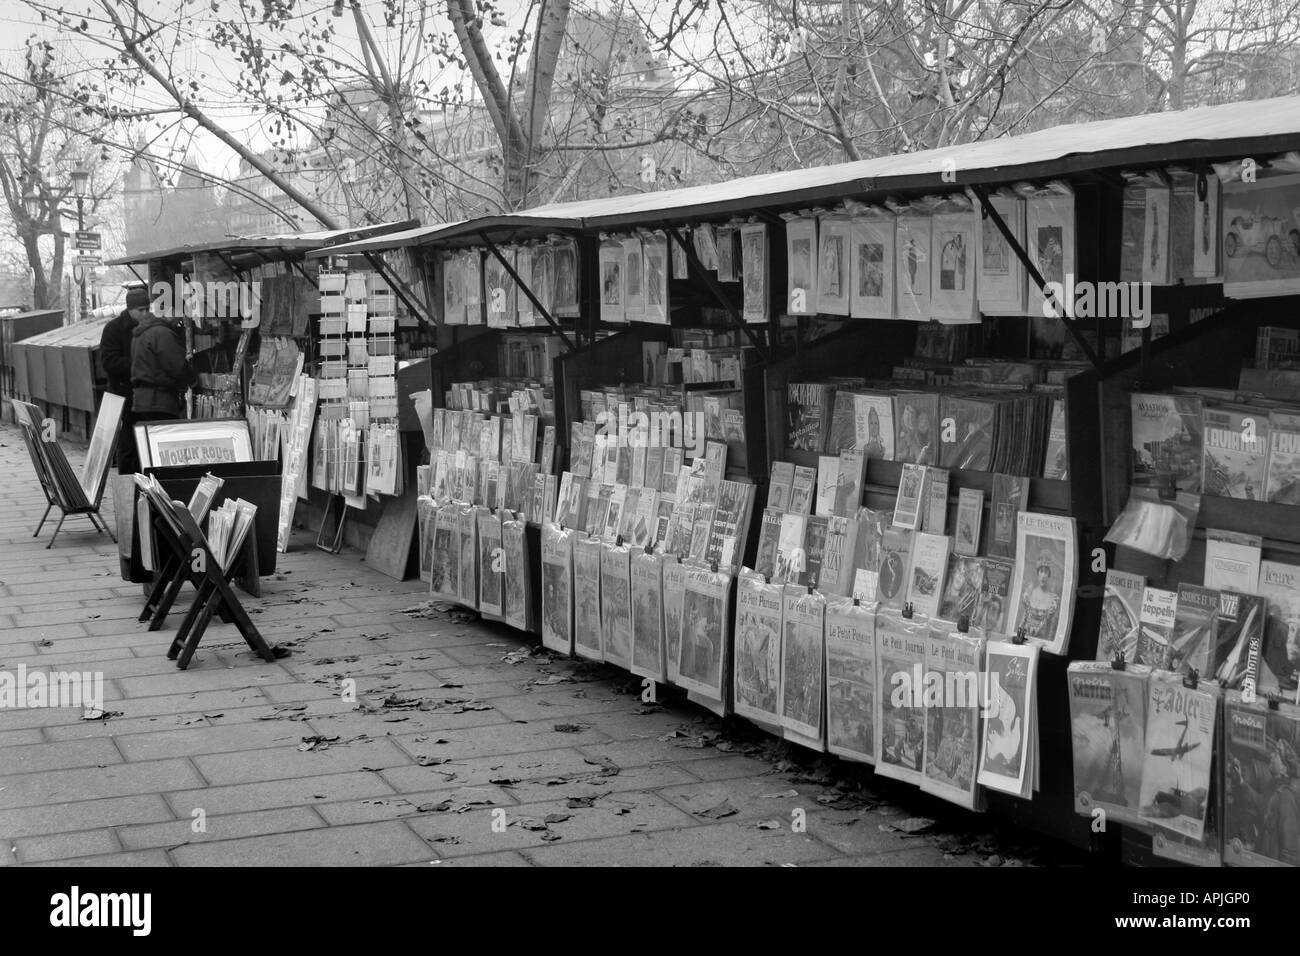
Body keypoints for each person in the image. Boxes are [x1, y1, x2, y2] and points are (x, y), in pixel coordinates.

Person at [100, 287, 152, 472]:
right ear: (130, 309)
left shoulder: (150, 328)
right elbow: (109, 362)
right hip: (123, 394)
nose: (145, 313)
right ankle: (129, 486)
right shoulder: (114, 329)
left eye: (147, 309)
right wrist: (139, 364)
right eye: (141, 310)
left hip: (144, 395)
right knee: (128, 445)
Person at [131, 299, 197, 422]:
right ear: (170, 311)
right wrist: (193, 380)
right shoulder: (162, 333)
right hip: (159, 400)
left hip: (143, 399)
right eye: (180, 314)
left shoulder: (142, 332)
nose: (181, 319)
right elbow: (176, 365)